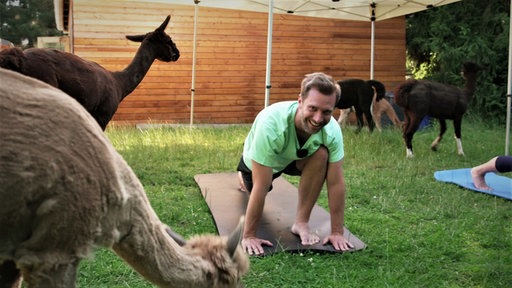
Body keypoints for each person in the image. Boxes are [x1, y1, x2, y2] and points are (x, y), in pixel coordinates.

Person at [236, 72, 353, 256]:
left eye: (326, 112)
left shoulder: (332, 130)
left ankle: (301, 222)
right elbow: (261, 185)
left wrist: (337, 232)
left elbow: (336, 182)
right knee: (258, 186)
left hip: (295, 158)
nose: (318, 118)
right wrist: (249, 235)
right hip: (262, 160)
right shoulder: (271, 124)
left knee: (321, 154)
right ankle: (242, 176)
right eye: (312, 108)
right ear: (300, 101)